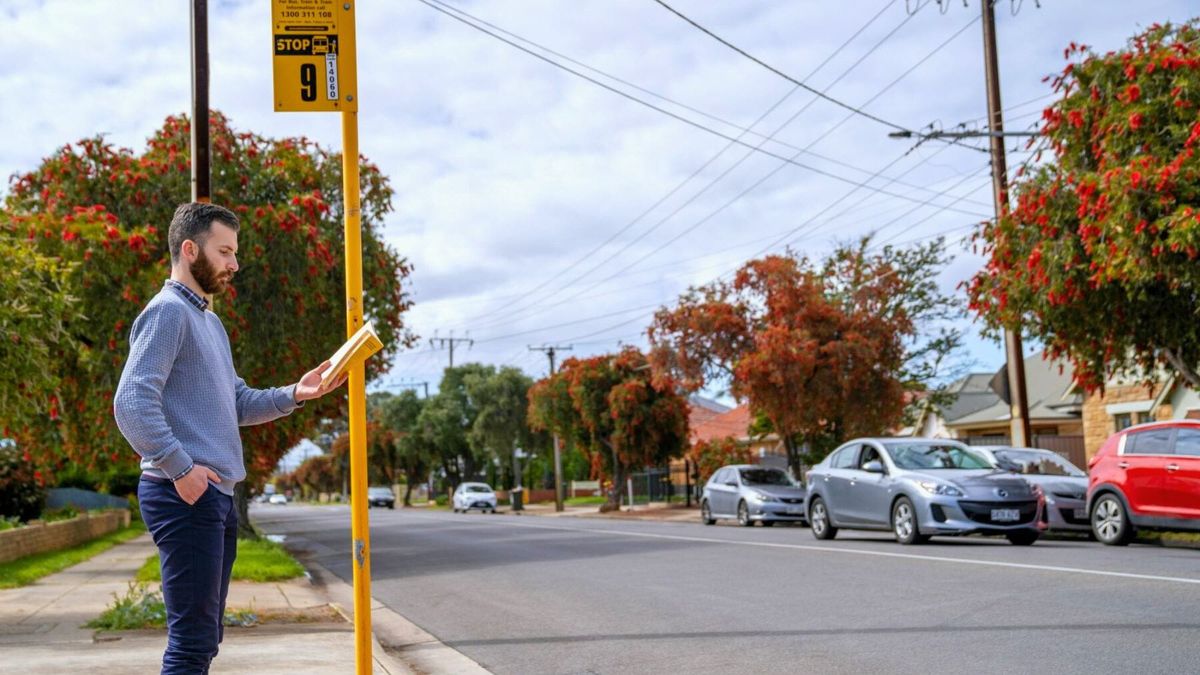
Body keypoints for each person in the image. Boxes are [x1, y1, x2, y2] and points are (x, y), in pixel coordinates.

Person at [114, 202, 347, 674]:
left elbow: (235, 401)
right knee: (192, 643)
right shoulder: (168, 312)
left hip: (212, 496)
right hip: (183, 494)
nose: (234, 264)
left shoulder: (209, 322)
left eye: (234, 252)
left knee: (204, 639)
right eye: (224, 252)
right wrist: (180, 469)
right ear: (189, 249)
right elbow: (131, 402)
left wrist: (295, 393)